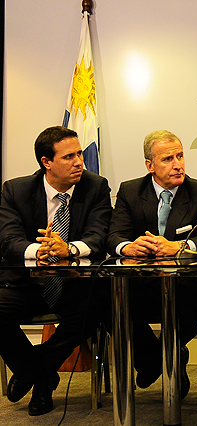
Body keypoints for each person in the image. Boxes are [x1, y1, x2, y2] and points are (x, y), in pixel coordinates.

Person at [0, 126, 112, 416]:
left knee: (93, 309)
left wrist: (69, 249)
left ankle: (34, 374)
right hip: (27, 284)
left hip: (73, 285)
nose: (79, 162)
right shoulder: (16, 189)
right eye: (69, 156)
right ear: (46, 162)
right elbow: (9, 239)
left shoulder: (96, 186)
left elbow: (99, 237)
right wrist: (40, 251)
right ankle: (41, 375)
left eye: (79, 154)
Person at [107, 130, 197, 399]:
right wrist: (129, 247)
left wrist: (179, 247)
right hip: (142, 283)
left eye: (180, 156)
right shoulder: (130, 190)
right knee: (108, 300)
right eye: (168, 158)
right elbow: (114, 236)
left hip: (186, 284)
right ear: (150, 165)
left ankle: (158, 359)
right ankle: (162, 359)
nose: (178, 163)